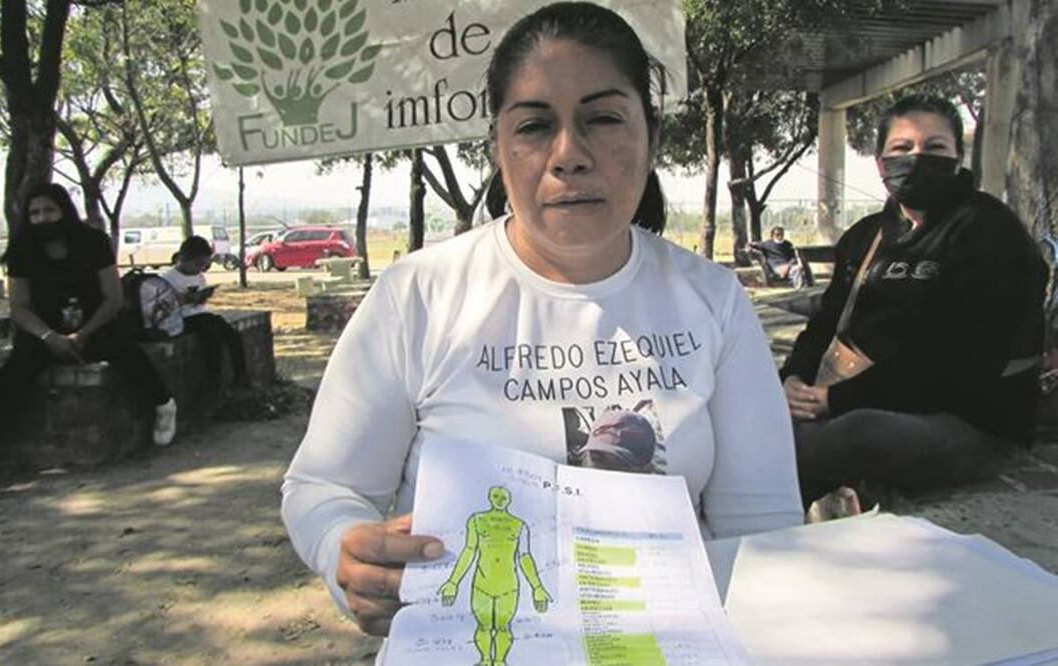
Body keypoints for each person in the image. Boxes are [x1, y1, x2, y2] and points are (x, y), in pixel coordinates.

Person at [281, 1, 802, 638]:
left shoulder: (714, 301)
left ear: (653, 134)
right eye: (533, 126)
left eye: (604, 118)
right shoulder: (416, 297)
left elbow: (763, 522)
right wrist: (346, 551)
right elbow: (322, 486)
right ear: (498, 146)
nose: (568, 155)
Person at [781, 94, 1048, 508]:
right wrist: (794, 379)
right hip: (856, 396)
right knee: (763, 421)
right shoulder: (866, 236)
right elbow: (826, 321)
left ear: (959, 156)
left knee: (855, 434)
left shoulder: (989, 231)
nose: (918, 158)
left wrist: (839, 400)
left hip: (968, 419)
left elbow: (959, 360)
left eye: (935, 148)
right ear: (881, 161)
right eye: (903, 148)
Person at [0, 183, 176, 448]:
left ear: (64, 211)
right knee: (17, 368)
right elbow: (20, 307)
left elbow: (113, 298)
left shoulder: (93, 242)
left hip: (96, 324)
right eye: (34, 212)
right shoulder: (22, 250)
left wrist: (82, 334)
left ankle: (163, 404)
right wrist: (50, 337)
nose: (42, 218)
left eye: (49, 210)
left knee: (124, 351)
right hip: (44, 332)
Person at [438, 486, 551, 665]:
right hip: (482, 584)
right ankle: (484, 659)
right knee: (483, 626)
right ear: (490, 497)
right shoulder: (476, 521)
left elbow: (525, 557)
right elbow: (469, 551)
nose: (499, 499)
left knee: (503, 627)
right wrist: (453, 582)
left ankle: (499, 661)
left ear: (509, 500)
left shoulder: (519, 525)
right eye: (496, 496)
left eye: (503, 496)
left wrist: (537, 587)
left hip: (509, 586)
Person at [162, 236, 249, 388]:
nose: (199, 268)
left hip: (200, 314)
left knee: (231, 334)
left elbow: (200, 304)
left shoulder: (199, 277)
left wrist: (203, 296)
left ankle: (241, 375)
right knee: (211, 336)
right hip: (182, 318)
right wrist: (188, 299)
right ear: (183, 259)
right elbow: (166, 305)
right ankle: (214, 379)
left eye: (203, 265)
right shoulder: (168, 279)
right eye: (197, 264)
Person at [748, 226, 812, 287]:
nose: (780, 236)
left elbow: (793, 257)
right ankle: (796, 284)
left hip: (788, 266)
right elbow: (753, 245)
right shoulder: (767, 244)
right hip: (776, 267)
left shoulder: (787, 244)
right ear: (772, 236)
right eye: (777, 234)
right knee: (795, 272)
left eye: (781, 234)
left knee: (799, 269)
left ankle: (801, 285)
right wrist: (749, 247)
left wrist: (788, 266)